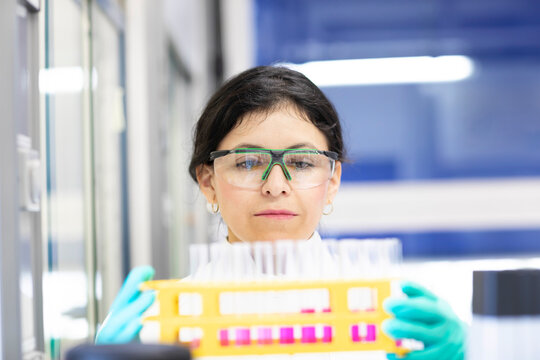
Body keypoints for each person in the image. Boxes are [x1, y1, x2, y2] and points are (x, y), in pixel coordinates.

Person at [95, 66, 466, 359]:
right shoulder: (158, 326)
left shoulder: (390, 317)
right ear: (208, 182)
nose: (275, 185)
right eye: (248, 162)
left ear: (332, 180)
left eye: (302, 162)